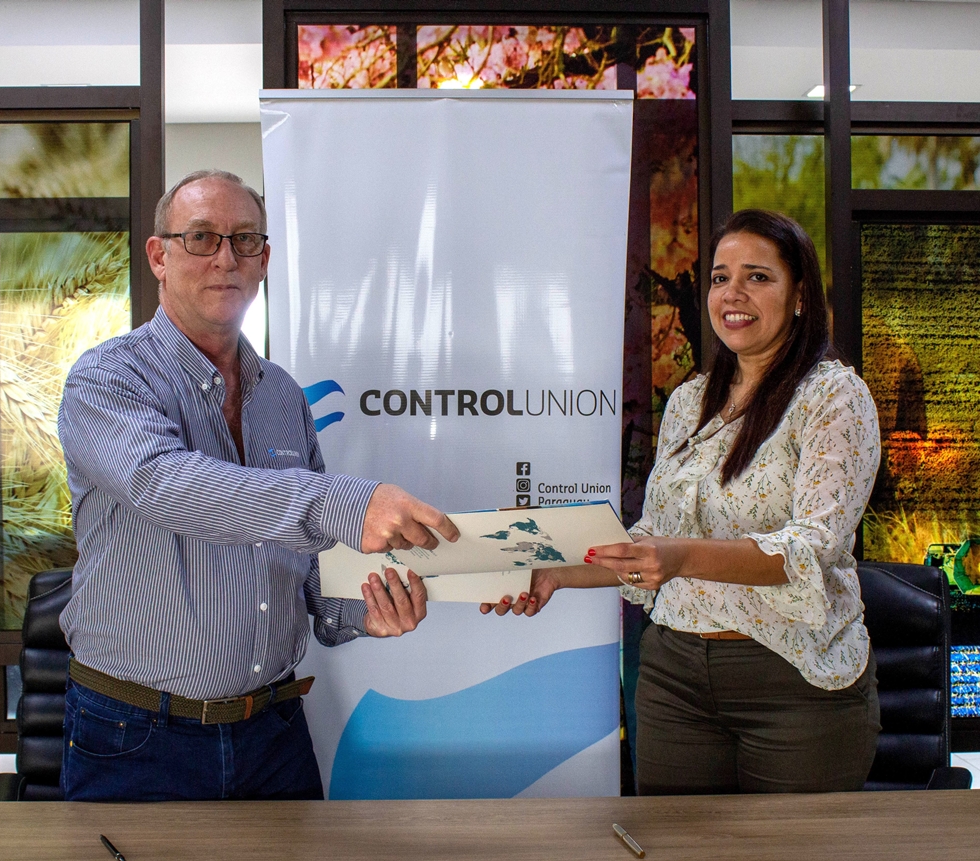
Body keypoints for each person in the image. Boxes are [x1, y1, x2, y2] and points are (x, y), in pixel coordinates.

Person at [57, 169, 460, 802]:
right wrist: (342, 503)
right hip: (135, 737)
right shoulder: (106, 379)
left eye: (245, 240)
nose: (225, 258)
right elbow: (166, 485)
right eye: (201, 237)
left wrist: (365, 609)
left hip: (272, 736)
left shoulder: (282, 397)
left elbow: (312, 569)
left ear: (265, 259)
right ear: (159, 256)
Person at [484, 209, 882, 795]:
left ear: (800, 294)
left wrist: (680, 556)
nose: (733, 294)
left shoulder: (833, 395)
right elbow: (651, 541)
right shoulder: (691, 400)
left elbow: (811, 548)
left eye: (758, 277)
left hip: (793, 684)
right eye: (720, 277)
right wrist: (556, 574)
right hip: (674, 679)